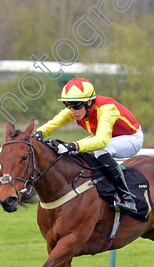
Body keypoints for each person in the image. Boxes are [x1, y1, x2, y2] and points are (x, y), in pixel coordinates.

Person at [32, 77, 143, 215]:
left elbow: (101, 141)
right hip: (109, 137)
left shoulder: (106, 108)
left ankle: (128, 198)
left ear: (89, 102)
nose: (72, 111)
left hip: (131, 137)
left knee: (98, 150)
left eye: (76, 105)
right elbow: (54, 123)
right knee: (76, 151)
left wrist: (73, 146)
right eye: (68, 105)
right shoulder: (77, 108)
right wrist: (39, 133)